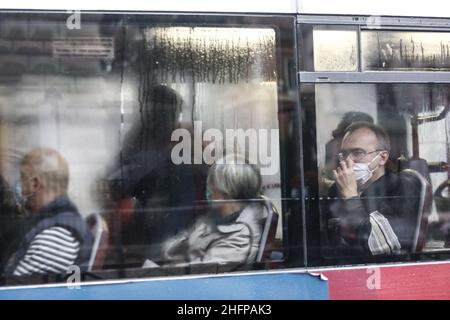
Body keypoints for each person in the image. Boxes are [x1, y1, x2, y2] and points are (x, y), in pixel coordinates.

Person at [143, 154, 269, 271]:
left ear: (226, 192)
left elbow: (201, 272)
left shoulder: (242, 236)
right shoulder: (216, 217)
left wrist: (158, 270)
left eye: (212, 186)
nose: (208, 191)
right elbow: (173, 246)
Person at [322, 121, 421, 256]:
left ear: (382, 158)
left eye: (358, 153)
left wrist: (351, 197)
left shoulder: (401, 188)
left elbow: (381, 246)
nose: (348, 161)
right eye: (344, 154)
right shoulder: (337, 189)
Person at [4, 148, 93, 276]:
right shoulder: (49, 221)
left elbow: (14, 290)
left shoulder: (57, 236)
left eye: (22, 178)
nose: (19, 187)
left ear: (34, 184)